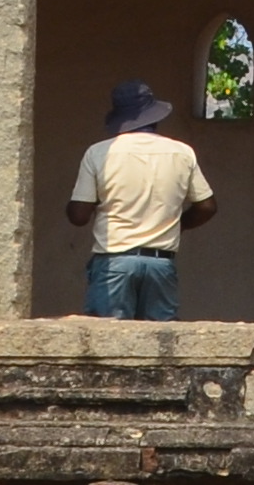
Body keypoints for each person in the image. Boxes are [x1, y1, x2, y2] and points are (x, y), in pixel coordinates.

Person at [68, 80, 214, 318]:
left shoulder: (99, 153)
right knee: (161, 346)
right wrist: (178, 224)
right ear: (155, 116)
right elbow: (207, 206)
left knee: (109, 344)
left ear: (120, 119)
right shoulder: (182, 152)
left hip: (113, 263)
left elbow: (78, 216)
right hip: (161, 264)